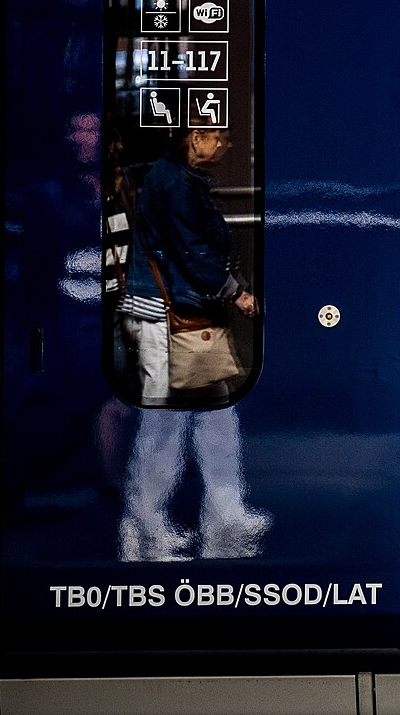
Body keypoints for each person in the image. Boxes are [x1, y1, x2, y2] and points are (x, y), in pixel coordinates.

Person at [118, 125, 269, 561]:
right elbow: (193, 249)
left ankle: (227, 513)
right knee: (164, 422)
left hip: (178, 313)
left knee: (217, 414)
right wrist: (234, 291)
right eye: (217, 136)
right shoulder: (175, 182)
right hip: (167, 316)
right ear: (193, 138)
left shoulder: (174, 177)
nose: (227, 143)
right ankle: (145, 527)